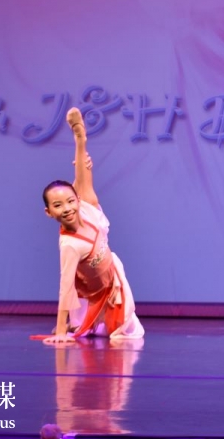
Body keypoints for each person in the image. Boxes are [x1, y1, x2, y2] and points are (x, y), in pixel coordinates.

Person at [39, 107, 145, 344]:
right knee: (108, 336)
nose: (67, 208)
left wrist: (80, 150)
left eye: (70, 201)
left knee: (84, 180)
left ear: (76, 200)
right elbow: (66, 287)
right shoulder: (69, 245)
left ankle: (80, 138)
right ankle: (78, 322)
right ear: (49, 212)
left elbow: (79, 183)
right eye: (58, 205)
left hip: (112, 281)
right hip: (91, 294)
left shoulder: (85, 205)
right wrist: (60, 330)